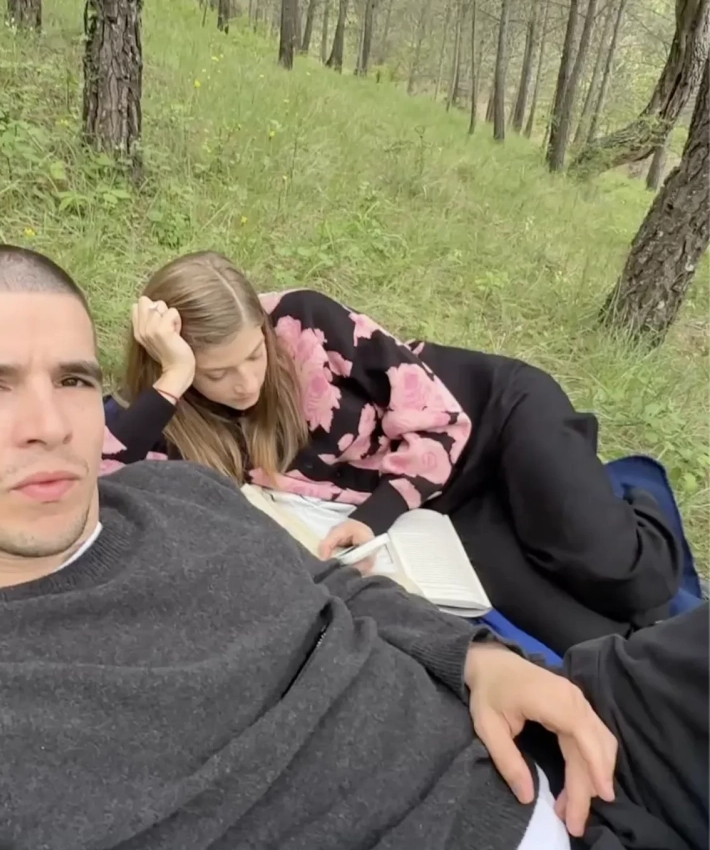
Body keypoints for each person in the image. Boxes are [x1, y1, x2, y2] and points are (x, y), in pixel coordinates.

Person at [0, 243, 704, 850]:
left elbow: (324, 581)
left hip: (568, 730)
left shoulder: (178, 493)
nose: (49, 424)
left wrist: (478, 657)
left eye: (74, 380)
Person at [104, 251, 681, 653]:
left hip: (491, 423)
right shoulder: (174, 415)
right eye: (216, 373)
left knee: (624, 575)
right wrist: (174, 376)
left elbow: (440, 420)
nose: (246, 382)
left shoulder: (305, 322)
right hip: (441, 510)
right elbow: (107, 481)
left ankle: (639, 499)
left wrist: (374, 515)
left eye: (254, 355)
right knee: (584, 638)